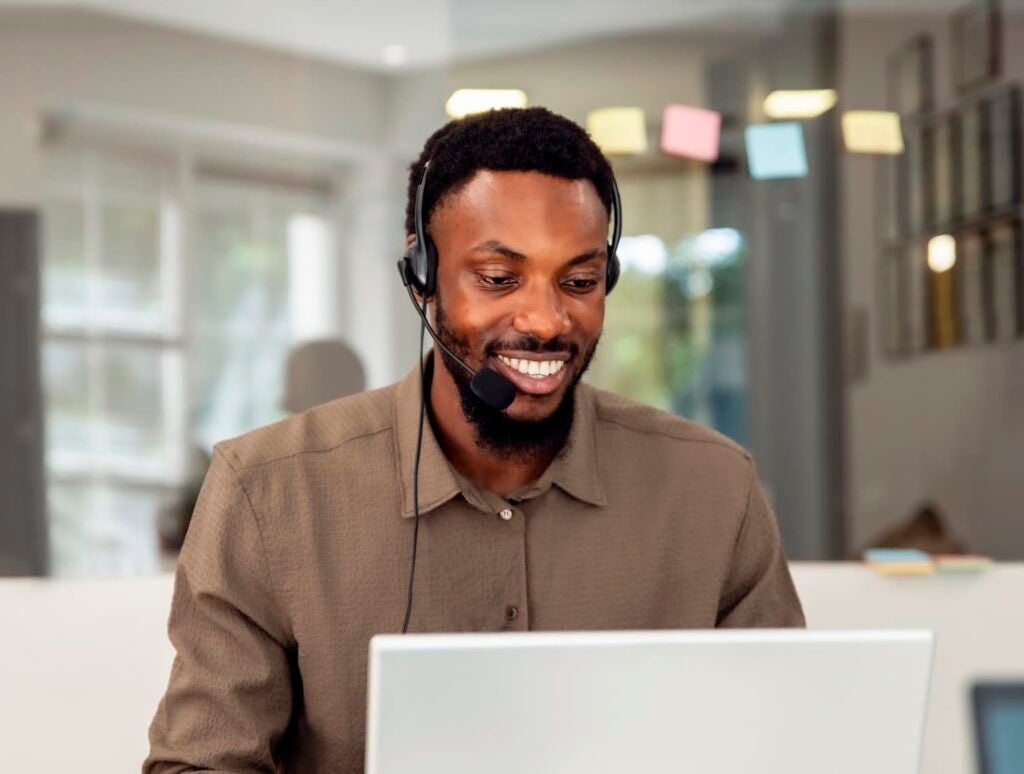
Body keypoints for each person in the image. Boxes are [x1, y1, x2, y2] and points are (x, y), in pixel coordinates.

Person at [145, 107, 804, 773]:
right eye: (498, 278)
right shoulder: (268, 491)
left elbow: (791, 749)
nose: (546, 321)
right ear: (422, 279)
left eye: (580, 280)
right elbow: (199, 764)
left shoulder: (714, 489)